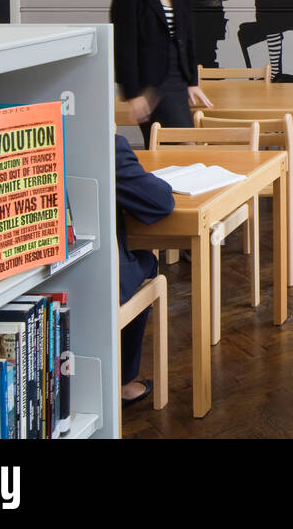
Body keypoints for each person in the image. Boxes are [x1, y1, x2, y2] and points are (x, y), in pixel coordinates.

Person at [109, 0, 213, 147]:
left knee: (177, 149)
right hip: (150, 84)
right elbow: (123, 46)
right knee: (180, 147)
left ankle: (163, 184)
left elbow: (188, 35)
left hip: (177, 79)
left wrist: (192, 81)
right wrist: (133, 94)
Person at [114, 134, 175, 406]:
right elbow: (160, 201)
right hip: (105, 286)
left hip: (38, 276)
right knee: (147, 261)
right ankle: (123, 383)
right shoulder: (105, 144)